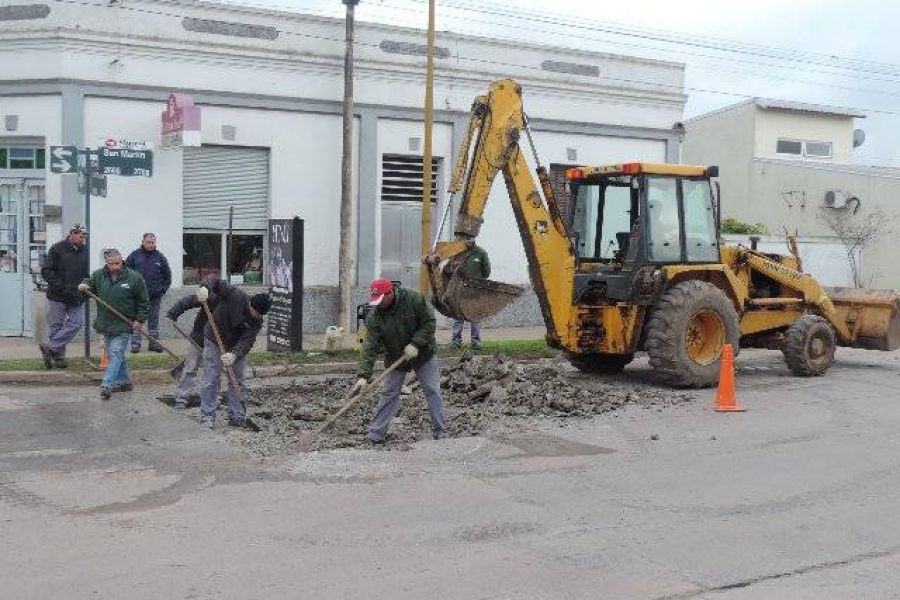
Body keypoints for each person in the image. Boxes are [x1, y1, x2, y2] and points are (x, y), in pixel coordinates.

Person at [353, 278, 448, 444]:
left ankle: (441, 431)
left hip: (423, 353)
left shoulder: (414, 299)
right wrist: (363, 376)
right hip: (396, 356)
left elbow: (429, 322)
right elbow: (370, 346)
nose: (379, 304)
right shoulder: (375, 316)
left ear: (391, 293)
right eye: (376, 300)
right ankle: (376, 434)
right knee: (389, 393)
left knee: (432, 390)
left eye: (381, 299)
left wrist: (415, 343)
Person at [196, 279, 271, 428]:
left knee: (239, 380)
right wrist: (205, 288)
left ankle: (237, 415)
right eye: (255, 312)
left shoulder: (257, 322)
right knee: (212, 378)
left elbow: (247, 341)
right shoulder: (236, 295)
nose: (256, 316)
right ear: (251, 304)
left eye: (259, 315)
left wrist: (234, 355)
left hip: (235, 346)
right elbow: (215, 282)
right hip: (214, 339)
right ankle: (207, 415)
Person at [78, 248, 149, 400]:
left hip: (124, 324)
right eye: (112, 264)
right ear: (107, 263)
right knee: (115, 355)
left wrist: (139, 320)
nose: (116, 267)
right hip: (106, 323)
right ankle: (125, 382)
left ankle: (107, 384)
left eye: (118, 263)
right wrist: (84, 286)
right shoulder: (98, 275)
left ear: (122, 261)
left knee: (115, 353)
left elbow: (143, 302)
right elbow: (88, 283)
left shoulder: (134, 278)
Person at [39, 223, 89, 369]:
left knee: (76, 323)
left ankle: (49, 347)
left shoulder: (86, 251)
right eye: (80, 236)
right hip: (57, 295)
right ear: (72, 233)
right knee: (56, 326)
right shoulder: (57, 249)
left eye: (84, 237)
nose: (83, 239)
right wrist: (60, 285)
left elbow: (88, 272)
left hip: (77, 295)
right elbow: (47, 270)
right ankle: (58, 357)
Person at [165, 281, 219, 410]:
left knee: (213, 371)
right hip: (199, 338)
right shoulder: (212, 298)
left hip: (217, 342)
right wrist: (173, 314)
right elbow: (188, 300)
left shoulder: (235, 309)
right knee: (190, 367)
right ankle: (182, 398)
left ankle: (213, 399)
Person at [125, 233, 171, 353]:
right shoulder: (134, 256)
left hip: (155, 296)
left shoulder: (160, 257)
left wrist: (162, 289)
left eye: (153, 242)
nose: (151, 245)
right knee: (137, 320)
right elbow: (125, 273)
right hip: (137, 296)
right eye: (148, 242)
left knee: (153, 322)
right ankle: (135, 344)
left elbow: (167, 276)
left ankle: (153, 344)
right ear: (143, 242)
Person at [451, 241, 491, 349]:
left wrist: (477, 281)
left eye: (470, 238)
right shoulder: (457, 253)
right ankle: (456, 341)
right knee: (458, 316)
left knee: (474, 316)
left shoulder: (481, 253)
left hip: (474, 290)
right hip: (459, 289)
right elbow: (449, 269)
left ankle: (475, 341)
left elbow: (487, 272)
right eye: (466, 238)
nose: (468, 240)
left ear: (474, 238)